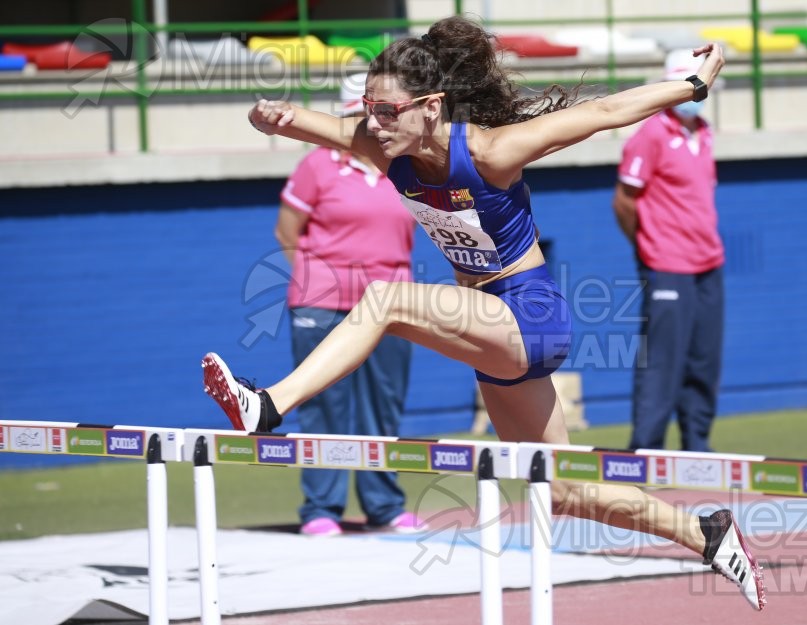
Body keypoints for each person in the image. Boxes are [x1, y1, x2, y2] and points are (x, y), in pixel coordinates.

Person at [202, 16, 765, 610]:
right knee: (565, 490)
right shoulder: (385, 146)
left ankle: (267, 406)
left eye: (389, 110)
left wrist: (692, 86)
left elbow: (602, 115)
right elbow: (306, 124)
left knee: (386, 298)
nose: (374, 122)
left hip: (530, 314)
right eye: (370, 108)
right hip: (488, 328)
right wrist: (270, 115)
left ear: (431, 106)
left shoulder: (492, 152)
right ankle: (706, 534)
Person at [274, 74, 423, 536]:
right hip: (322, 306)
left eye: (380, 116)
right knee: (323, 406)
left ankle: (384, 505)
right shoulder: (316, 166)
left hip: (391, 307)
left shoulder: (406, 168)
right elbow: (287, 233)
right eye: (361, 116)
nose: (371, 126)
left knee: (384, 406)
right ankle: (321, 509)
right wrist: (322, 283)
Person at [612, 49, 725, 453]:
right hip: (666, 267)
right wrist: (649, 247)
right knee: (661, 364)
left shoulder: (705, 132)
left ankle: (698, 450)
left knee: (704, 362)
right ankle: (646, 452)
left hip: (709, 264)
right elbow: (624, 201)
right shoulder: (651, 135)